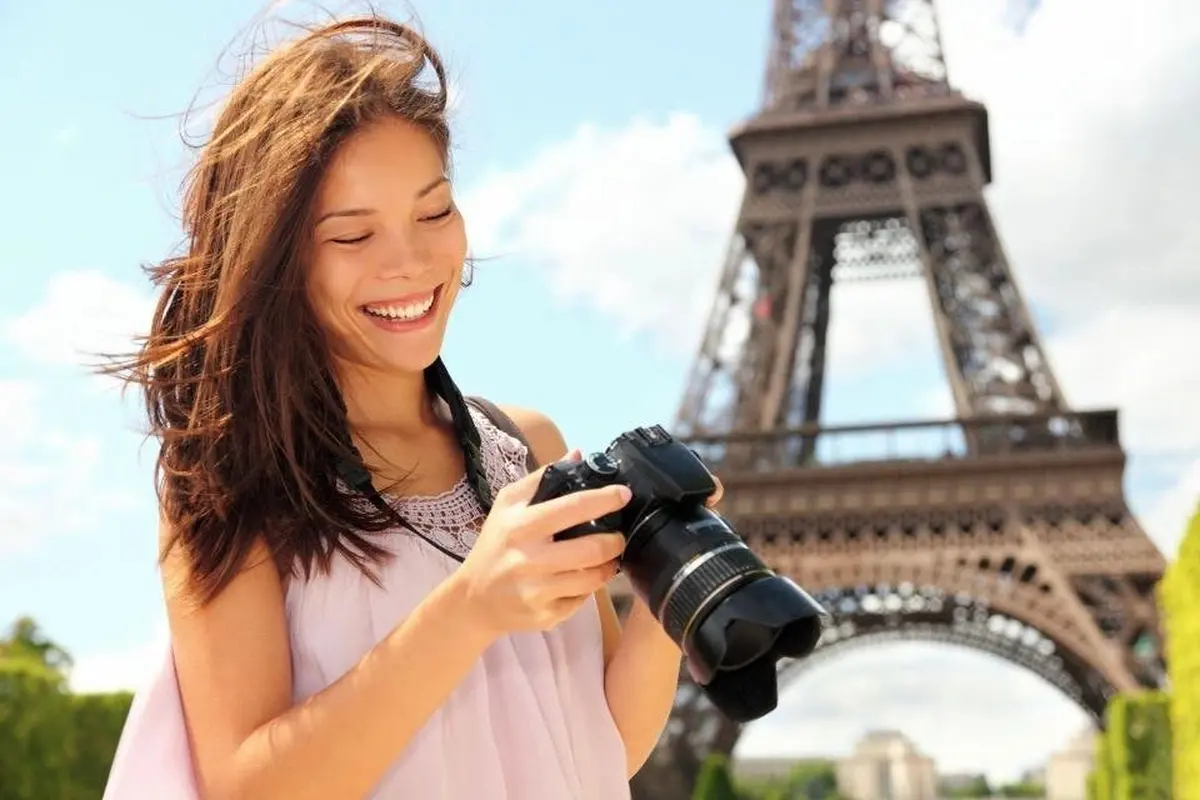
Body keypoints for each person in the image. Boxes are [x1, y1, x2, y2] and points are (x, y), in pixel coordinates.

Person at [100, 14, 721, 800]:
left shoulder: (526, 448)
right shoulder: (228, 482)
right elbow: (246, 788)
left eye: (434, 213)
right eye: (353, 236)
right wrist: (470, 610)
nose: (412, 262)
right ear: (274, 258)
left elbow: (597, 744)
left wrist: (680, 577)